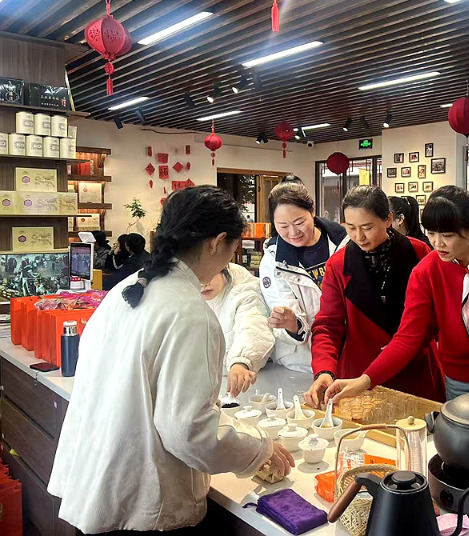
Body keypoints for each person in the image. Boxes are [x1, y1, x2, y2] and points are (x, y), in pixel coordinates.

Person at [49, 186, 293, 534]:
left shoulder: (128, 289)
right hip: (143, 504)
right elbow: (188, 431)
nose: (232, 258)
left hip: (98, 481)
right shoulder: (189, 313)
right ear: (217, 242)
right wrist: (258, 448)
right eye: (233, 247)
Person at [324, 186, 469, 412]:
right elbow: (408, 337)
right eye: (431, 233)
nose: (438, 243)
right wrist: (365, 381)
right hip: (463, 383)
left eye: (447, 235)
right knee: (465, 435)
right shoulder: (426, 272)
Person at [306, 187, 444, 407]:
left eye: (367, 227)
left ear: (388, 219)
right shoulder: (338, 264)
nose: (359, 236)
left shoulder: (419, 253)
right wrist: (324, 370)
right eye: (351, 227)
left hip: (415, 371)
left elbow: (436, 315)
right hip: (358, 376)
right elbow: (328, 325)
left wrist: (410, 343)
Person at [259, 182, 348, 373]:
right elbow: (282, 306)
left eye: (299, 222)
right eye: (283, 226)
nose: (293, 232)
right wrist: (291, 324)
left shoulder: (345, 243)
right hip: (302, 362)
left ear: (312, 211)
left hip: (349, 354)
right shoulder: (273, 260)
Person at [201, 263, 275, 397]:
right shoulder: (185, 295)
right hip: (207, 385)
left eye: (210, 274)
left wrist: (240, 362)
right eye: (197, 277)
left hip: (250, 383)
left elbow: (253, 326)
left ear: (223, 267)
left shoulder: (244, 292)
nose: (204, 284)